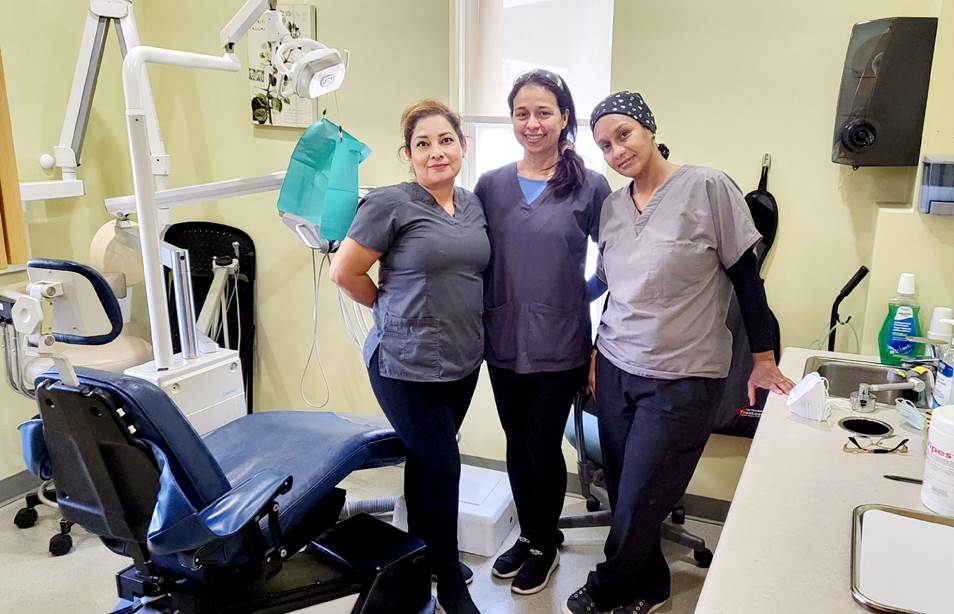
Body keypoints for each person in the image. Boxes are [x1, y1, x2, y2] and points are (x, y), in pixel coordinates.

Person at [563, 91, 796, 614]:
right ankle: (652, 586)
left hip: (683, 378)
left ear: (648, 129)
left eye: (624, 135)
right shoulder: (612, 208)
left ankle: (607, 587)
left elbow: (746, 280)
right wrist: (576, 327)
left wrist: (763, 359)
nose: (616, 150)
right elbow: (612, 286)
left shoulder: (707, 187)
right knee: (627, 492)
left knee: (642, 496)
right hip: (619, 367)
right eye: (604, 145)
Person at [330, 99, 489, 614]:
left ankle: (423, 557)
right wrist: (386, 306)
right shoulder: (390, 203)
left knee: (427, 468)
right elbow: (345, 272)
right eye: (424, 144)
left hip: (463, 360)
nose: (436, 151)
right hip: (404, 361)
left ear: (463, 146)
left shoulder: (471, 204)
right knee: (443, 465)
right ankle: (448, 576)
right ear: (408, 154)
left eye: (446, 140)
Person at [474, 69, 610, 595]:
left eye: (543, 112)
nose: (532, 123)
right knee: (515, 442)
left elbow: (618, 259)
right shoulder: (490, 186)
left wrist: (581, 294)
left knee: (541, 443)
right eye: (522, 113)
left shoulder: (589, 186)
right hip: (503, 340)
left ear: (564, 118)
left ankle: (544, 541)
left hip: (560, 344)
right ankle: (530, 537)